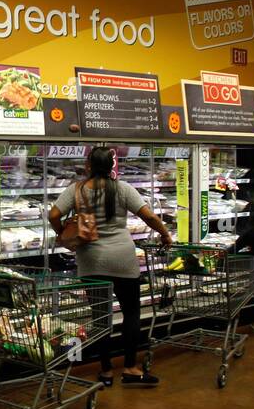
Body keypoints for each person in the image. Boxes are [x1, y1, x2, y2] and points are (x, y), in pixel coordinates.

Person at [49, 146, 172, 386]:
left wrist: (62, 232)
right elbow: (149, 217)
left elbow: (53, 214)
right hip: (123, 259)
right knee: (131, 313)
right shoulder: (123, 188)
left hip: (91, 260)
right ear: (112, 167)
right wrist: (165, 234)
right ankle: (130, 368)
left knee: (100, 317)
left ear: (88, 165)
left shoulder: (76, 190)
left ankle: (105, 371)